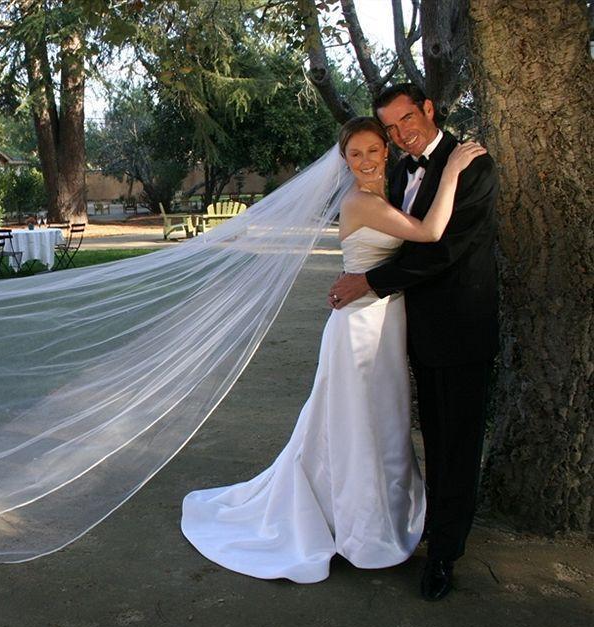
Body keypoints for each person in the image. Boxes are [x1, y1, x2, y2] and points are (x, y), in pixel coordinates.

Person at [181, 116, 486, 586]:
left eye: (372, 150)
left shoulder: (388, 192)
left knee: (380, 421)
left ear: (387, 152)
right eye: (354, 154)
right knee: (360, 423)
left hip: (383, 324)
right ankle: (360, 526)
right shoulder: (362, 202)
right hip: (361, 328)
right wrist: (451, 173)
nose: (365, 161)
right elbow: (428, 234)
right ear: (344, 162)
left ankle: (380, 514)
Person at [329, 83, 499, 601]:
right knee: (411, 432)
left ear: (428, 109)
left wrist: (369, 282)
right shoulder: (397, 171)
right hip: (406, 329)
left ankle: (446, 552)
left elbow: (443, 249)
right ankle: (417, 519)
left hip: (459, 328)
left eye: (408, 120)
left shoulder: (470, 165)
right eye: (392, 128)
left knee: (455, 441)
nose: (403, 133)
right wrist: (361, 274)